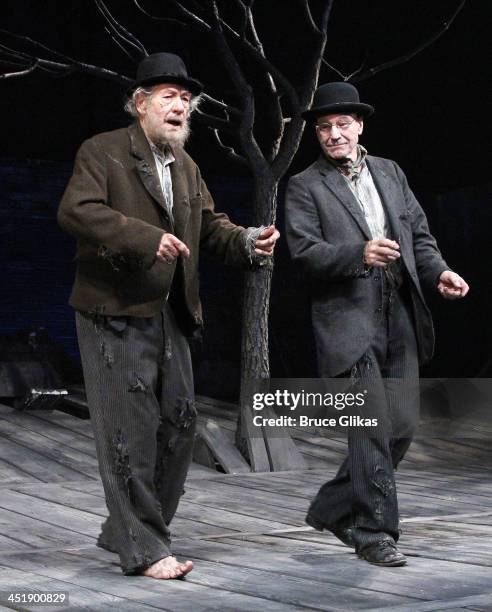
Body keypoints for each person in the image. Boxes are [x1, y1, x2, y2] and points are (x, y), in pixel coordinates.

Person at [58, 52, 279, 579]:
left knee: (181, 426)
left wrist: (248, 241)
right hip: (114, 309)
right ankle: (146, 548)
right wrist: (145, 238)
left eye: (186, 100)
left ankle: (125, 529)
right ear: (140, 104)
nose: (180, 107)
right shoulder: (104, 151)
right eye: (168, 97)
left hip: (171, 314)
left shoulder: (186, 166)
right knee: (127, 430)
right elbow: (77, 211)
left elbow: (210, 225)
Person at [285, 82, 468, 567]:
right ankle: (373, 531)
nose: (333, 134)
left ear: (360, 125)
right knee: (369, 427)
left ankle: (330, 507)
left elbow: (420, 238)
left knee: (401, 427)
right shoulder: (306, 185)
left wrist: (440, 272)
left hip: (400, 313)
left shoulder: (390, 172)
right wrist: (359, 254)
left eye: (342, 124)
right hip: (347, 318)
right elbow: (304, 252)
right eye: (324, 127)